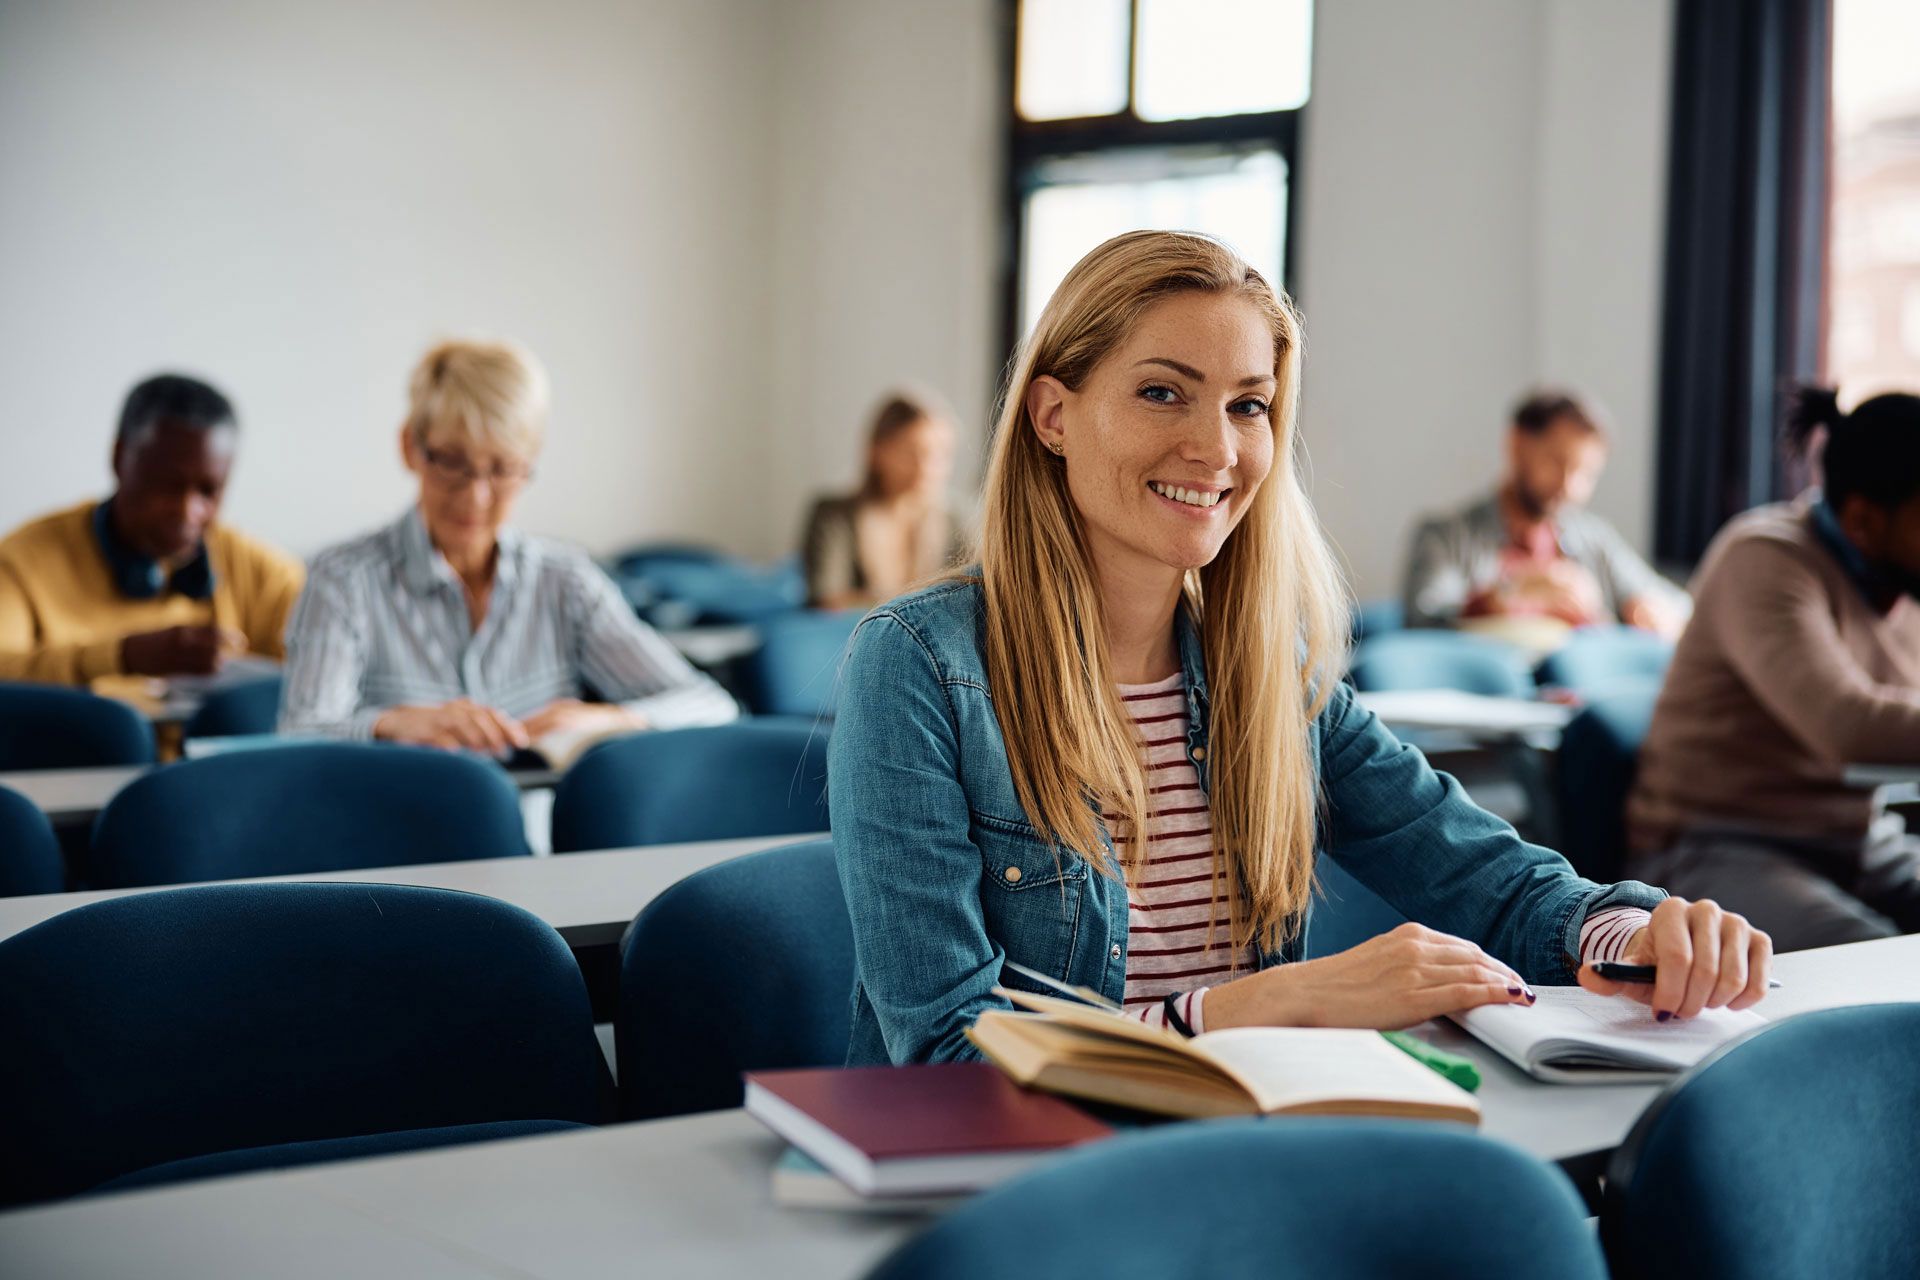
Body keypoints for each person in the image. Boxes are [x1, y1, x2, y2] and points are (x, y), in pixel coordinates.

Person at [829, 231, 1768, 1067]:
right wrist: (1274, 1003)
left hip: (1254, 1150)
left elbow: (1478, 870)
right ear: (1052, 416)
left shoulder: (1268, 666)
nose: (1218, 448)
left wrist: (1629, 934)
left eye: (1249, 406)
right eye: (1164, 393)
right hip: (1026, 1190)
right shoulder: (916, 664)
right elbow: (949, 1050)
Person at [279, 338, 738, 749]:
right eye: (452, 462)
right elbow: (300, 734)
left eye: (501, 469)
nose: (476, 495)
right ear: (410, 448)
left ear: (529, 465)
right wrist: (392, 724)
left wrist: (610, 718)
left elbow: (710, 705)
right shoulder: (342, 580)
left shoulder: (565, 580)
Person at [1628, 386, 1920, 950]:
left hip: (1858, 842)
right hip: (1719, 846)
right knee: (1881, 968)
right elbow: (1848, 724)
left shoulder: (1904, 580)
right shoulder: (1765, 558)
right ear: (1862, 519)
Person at [0, 374, 303, 690]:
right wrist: (121, 657)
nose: (188, 511)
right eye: (168, 486)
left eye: (208, 491)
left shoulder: (267, 573)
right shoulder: (19, 563)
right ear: (119, 458)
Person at [1402, 391, 1688, 639]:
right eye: (1556, 462)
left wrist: (1646, 609)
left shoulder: (1595, 540)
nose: (1569, 486)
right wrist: (1511, 590)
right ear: (1516, 444)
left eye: (1586, 474)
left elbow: (1679, 604)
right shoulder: (1445, 535)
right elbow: (1424, 616)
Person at [800, 391, 963, 609]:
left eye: (940, 455)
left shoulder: (959, 521)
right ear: (877, 450)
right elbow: (827, 600)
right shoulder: (833, 515)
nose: (926, 467)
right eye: (912, 452)